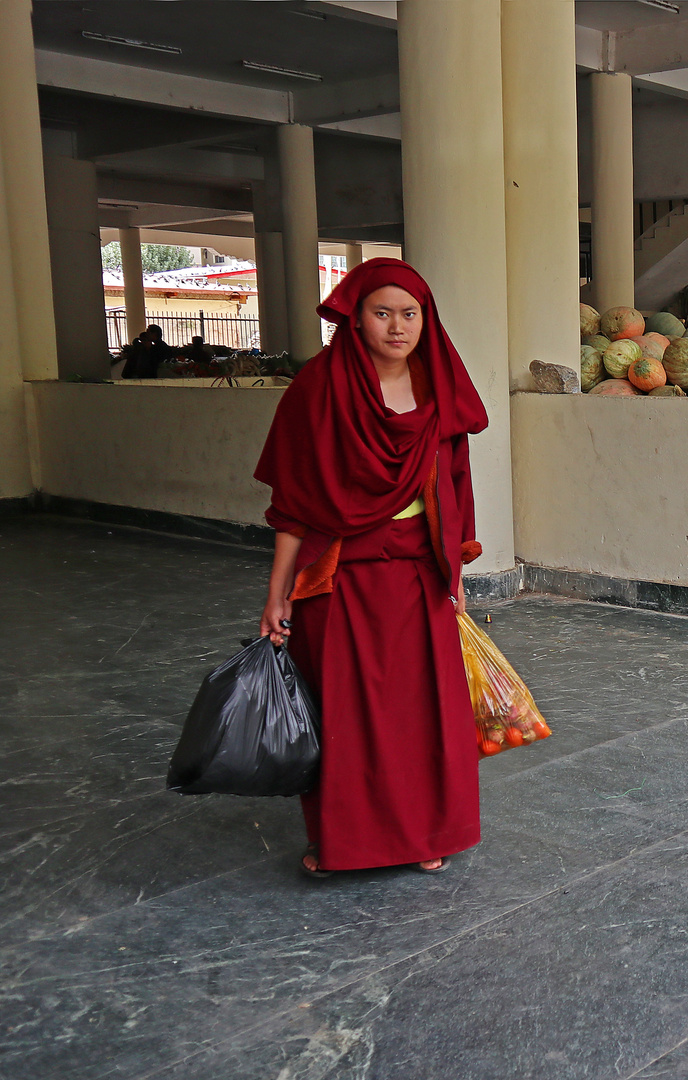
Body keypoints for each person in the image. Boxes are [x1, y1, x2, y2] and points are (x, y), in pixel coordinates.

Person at [255, 258, 488, 879]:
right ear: (355, 318)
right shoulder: (320, 389)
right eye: (381, 313)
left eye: (409, 314)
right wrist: (278, 594)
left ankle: (424, 835)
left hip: (417, 579)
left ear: (425, 319)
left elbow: (455, 490)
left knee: (422, 717)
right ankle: (345, 843)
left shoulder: (440, 389)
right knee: (346, 717)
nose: (396, 327)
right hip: (340, 579)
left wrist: (455, 581)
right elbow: (294, 504)